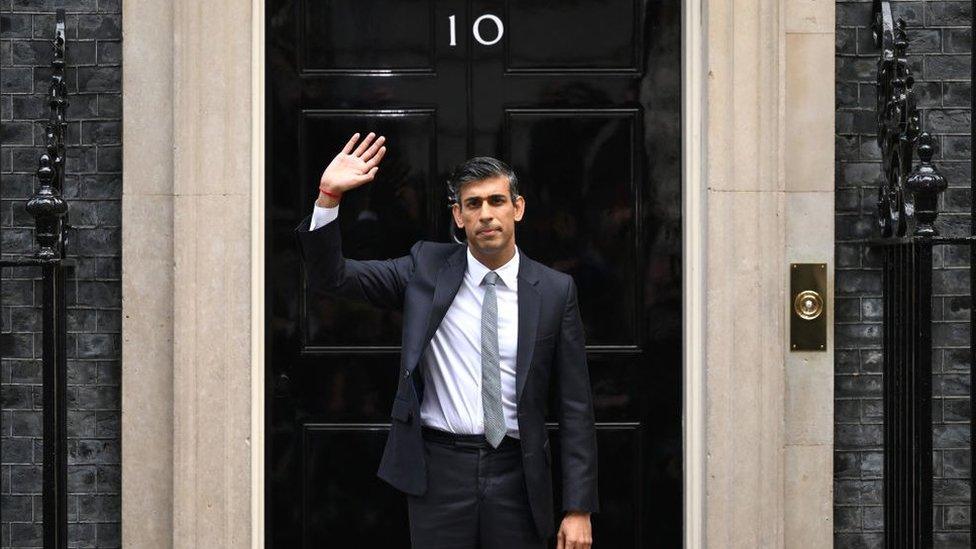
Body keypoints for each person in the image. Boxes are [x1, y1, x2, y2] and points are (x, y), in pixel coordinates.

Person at [294, 132, 598, 549]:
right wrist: (328, 197)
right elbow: (334, 277)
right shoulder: (426, 268)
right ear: (458, 216)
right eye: (473, 204)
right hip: (439, 472)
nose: (486, 214)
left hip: (519, 473)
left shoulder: (554, 290)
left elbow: (575, 405)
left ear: (518, 208)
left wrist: (578, 507)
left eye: (496, 201)